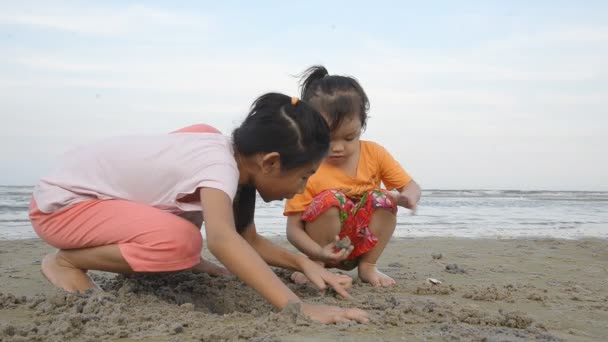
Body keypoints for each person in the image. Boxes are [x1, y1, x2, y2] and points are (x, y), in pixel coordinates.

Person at [29, 93, 368, 324]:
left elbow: (245, 238)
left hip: (94, 195)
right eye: (303, 176)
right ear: (270, 162)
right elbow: (223, 241)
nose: (303, 187)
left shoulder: (229, 154)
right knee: (182, 243)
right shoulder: (219, 168)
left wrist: (303, 262)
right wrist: (298, 306)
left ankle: (179, 257)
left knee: (199, 139)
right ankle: (66, 262)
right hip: (62, 205)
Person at [285, 66, 421, 287]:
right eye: (328, 138)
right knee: (330, 199)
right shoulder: (307, 165)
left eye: (349, 137)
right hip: (320, 248)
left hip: (361, 245)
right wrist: (318, 254)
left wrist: (409, 197)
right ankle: (317, 266)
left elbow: (411, 186)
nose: (338, 147)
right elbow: (293, 230)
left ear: (362, 125)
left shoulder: (374, 153)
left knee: (383, 199)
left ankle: (368, 267)